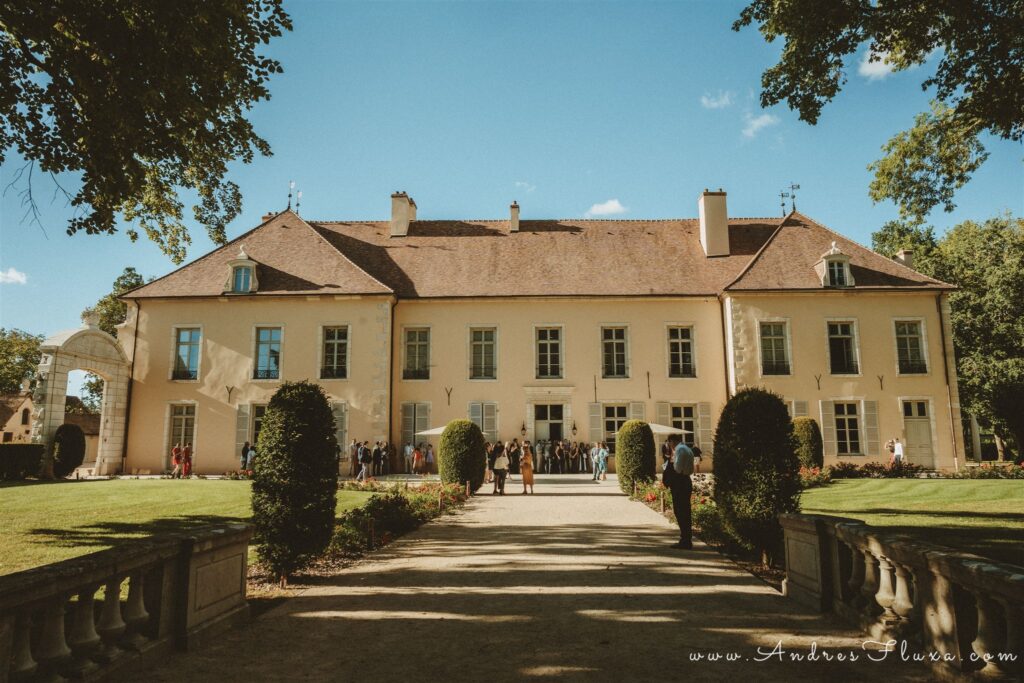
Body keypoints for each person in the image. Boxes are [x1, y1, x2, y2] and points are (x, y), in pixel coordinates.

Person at [664, 434, 694, 549]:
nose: (669, 444)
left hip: (680, 482)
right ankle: (686, 538)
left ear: (672, 441)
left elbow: (677, 469)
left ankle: (685, 540)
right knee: (685, 511)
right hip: (685, 481)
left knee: (681, 511)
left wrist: (670, 463)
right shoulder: (686, 448)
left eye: (669, 442)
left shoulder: (680, 450)